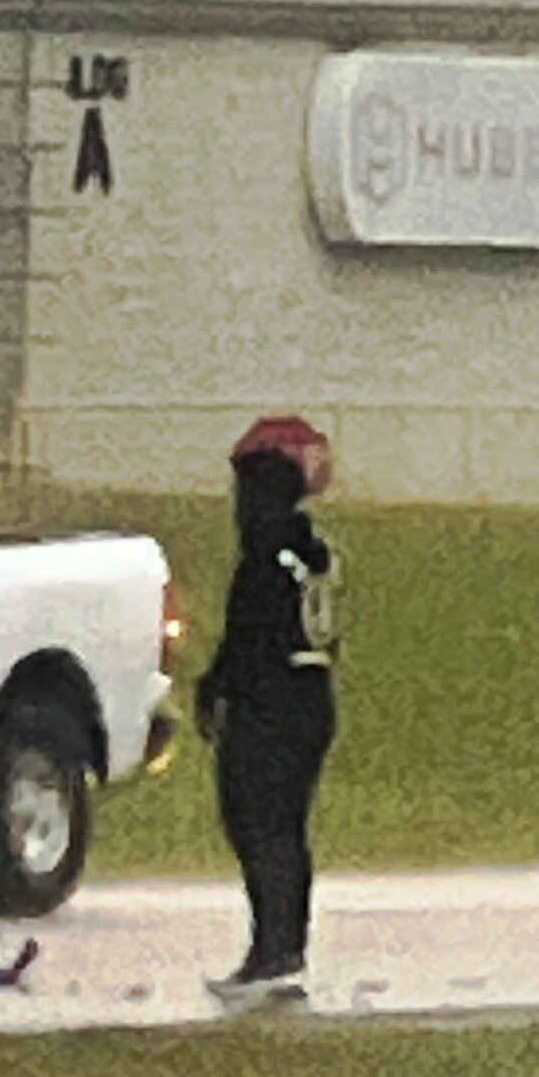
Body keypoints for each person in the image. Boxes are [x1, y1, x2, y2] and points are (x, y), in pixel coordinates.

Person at [197, 415, 341, 998]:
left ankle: (273, 950)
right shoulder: (313, 554)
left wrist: (221, 688)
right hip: (310, 696)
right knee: (284, 827)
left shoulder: (268, 558)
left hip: (273, 703)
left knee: (260, 824)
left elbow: (250, 636)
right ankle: (283, 944)